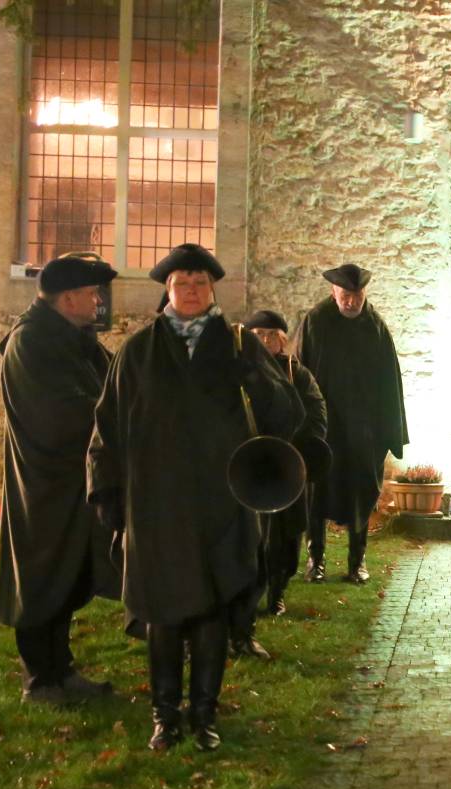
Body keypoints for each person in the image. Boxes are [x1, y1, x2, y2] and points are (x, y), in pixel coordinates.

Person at [88, 244, 304, 751]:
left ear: (212, 291)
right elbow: (107, 429)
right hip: (156, 504)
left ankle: (204, 715)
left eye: (201, 284)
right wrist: (109, 495)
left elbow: (286, 417)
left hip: (220, 502)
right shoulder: (138, 352)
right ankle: (165, 717)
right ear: (167, 289)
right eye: (182, 283)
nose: (191, 292)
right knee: (162, 612)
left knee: (212, 607)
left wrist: (255, 374)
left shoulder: (236, 346)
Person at [0, 254, 123, 705]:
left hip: (70, 480)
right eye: (92, 293)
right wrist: (111, 416)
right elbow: (58, 414)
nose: (97, 301)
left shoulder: (73, 338)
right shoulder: (31, 342)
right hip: (43, 483)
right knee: (40, 573)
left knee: (65, 573)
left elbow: (115, 384)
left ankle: (61, 669)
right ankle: (39, 679)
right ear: (68, 299)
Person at [225, 309, 331, 660]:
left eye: (273, 335)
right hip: (248, 467)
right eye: (259, 334)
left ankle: (278, 590)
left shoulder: (297, 375)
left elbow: (315, 412)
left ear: (283, 340)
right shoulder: (239, 371)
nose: (266, 341)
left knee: (286, 534)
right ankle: (244, 604)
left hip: (286, 465)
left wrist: (297, 444)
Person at [296, 263, 408, 585]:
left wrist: (389, 430)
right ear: (334, 292)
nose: (351, 302)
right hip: (324, 427)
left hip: (363, 431)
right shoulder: (315, 323)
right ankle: (315, 560)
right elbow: (301, 374)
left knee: (361, 492)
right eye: (346, 295)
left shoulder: (374, 327)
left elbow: (390, 381)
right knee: (318, 492)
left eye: (357, 296)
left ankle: (356, 562)